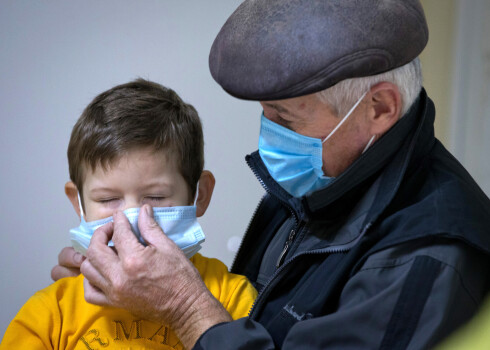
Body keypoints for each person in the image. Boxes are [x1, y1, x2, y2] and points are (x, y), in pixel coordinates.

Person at [52, 1, 490, 349]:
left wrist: (185, 308)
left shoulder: (427, 258)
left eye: (285, 118)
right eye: (265, 115)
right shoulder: (327, 180)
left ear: (379, 108)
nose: (269, 139)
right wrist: (124, 291)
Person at [1, 79, 257, 350]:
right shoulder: (51, 313)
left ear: (200, 195)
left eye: (156, 197)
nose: (130, 220)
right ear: (78, 203)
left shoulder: (231, 298)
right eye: (108, 199)